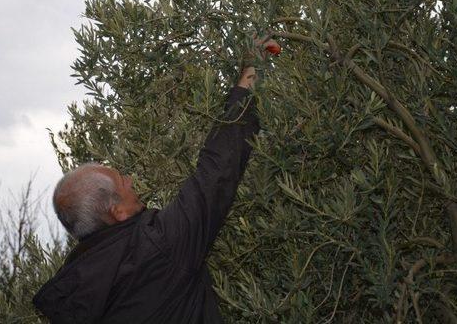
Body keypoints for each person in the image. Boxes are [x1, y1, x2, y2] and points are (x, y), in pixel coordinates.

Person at [33, 38, 279, 323]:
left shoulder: (76, 287)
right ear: (117, 211)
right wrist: (249, 75)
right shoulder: (156, 250)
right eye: (120, 181)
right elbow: (216, 174)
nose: (129, 179)